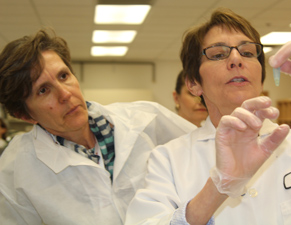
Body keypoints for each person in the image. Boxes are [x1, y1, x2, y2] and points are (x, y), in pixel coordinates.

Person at [125, 7, 291, 224]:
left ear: (261, 74)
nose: (236, 59)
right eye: (218, 54)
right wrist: (218, 187)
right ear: (193, 83)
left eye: (248, 52)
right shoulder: (168, 159)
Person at [0, 29, 196, 224]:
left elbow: (206, 157)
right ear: (25, 115)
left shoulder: (146, 119)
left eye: (63, 76)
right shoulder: (15, 169)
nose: (65, 94)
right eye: (43, 90)